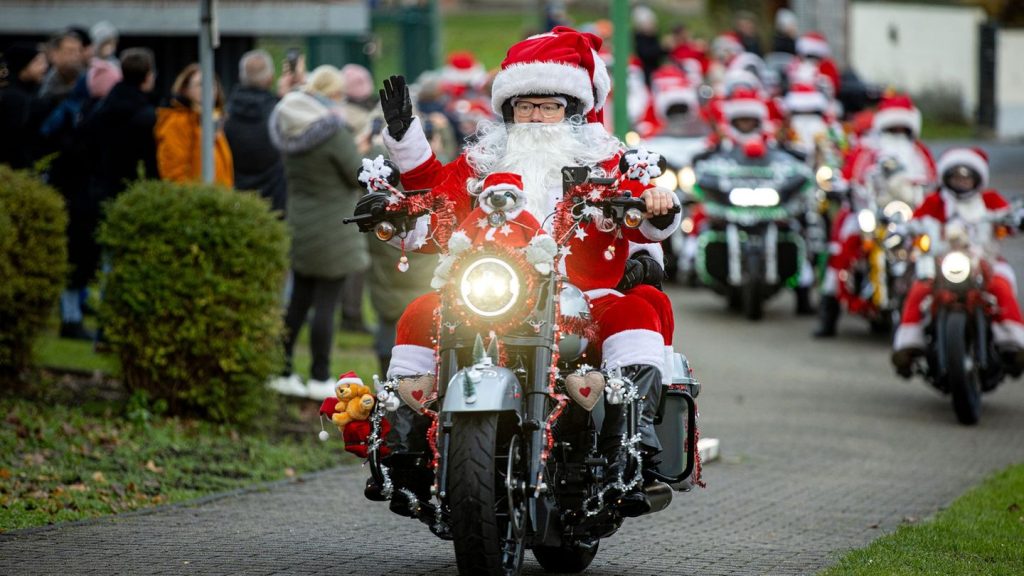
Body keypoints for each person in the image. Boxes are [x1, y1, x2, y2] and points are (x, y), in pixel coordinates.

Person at [366, 26, 680, 514]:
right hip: (492, 291)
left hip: (583, 295)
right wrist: (403, 162)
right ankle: (402, 448)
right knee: (421, 311)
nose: (534, 116)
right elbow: (436, 203)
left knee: (635, 312)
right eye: (524, 106)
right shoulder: (482, 163)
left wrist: (656, 204)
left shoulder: (606, 162)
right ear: (507, 111)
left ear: (572, 111)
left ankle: (631, 445)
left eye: (548, 105)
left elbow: (644, 217)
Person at [268, 65, 369, 400]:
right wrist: (364, 149)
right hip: (333, 228)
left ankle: (281, 371)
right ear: (332, 95)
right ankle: (319, 376)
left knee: (298, 302)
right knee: (326, 304)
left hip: (300, 223)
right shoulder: (333, 132)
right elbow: (356, 174)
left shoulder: (290, 129)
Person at [892, 148, 1024, 376]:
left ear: (976, 179)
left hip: (985, 263)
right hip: (941, 265)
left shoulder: (989, 200)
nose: (961, 182)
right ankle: (908, 346)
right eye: (956, 177)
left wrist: (1015, 220)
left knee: (1001, 288)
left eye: (966, 177)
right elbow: (914, 222)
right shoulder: (935, 201)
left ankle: (1013, 345)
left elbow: (1009, 218)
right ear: (946, 178)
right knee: (918, 290)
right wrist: (902, 230)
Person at [816, 94, 937, 337]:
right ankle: (828, 314)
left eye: (903, 127)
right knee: (842, 247)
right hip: (869, 212)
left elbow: (933, 181)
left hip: (908, 216)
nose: (898, 131)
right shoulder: (867, 149)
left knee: (935, 249)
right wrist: (845, 189)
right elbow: (850, 175)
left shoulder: (919, 153)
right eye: (893, 126)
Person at [224, 49, 286, 215]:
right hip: (275, 203)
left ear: (241, 76)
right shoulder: (279, 114)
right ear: (270, 78)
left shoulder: (225, 115)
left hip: (235, 202)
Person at [155, 63, 234, 187]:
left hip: (219, 199)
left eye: (212, 84)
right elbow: (174, 173)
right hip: (196, 201)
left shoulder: (214, 120)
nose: (208, 88)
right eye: (201, 84)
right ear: (185, 90)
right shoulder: (177, 122)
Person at [0, 42, 49, 169]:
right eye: (38, 63)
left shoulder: (30, 93)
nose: (45, 67)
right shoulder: (15, 98)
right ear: (23, 65)